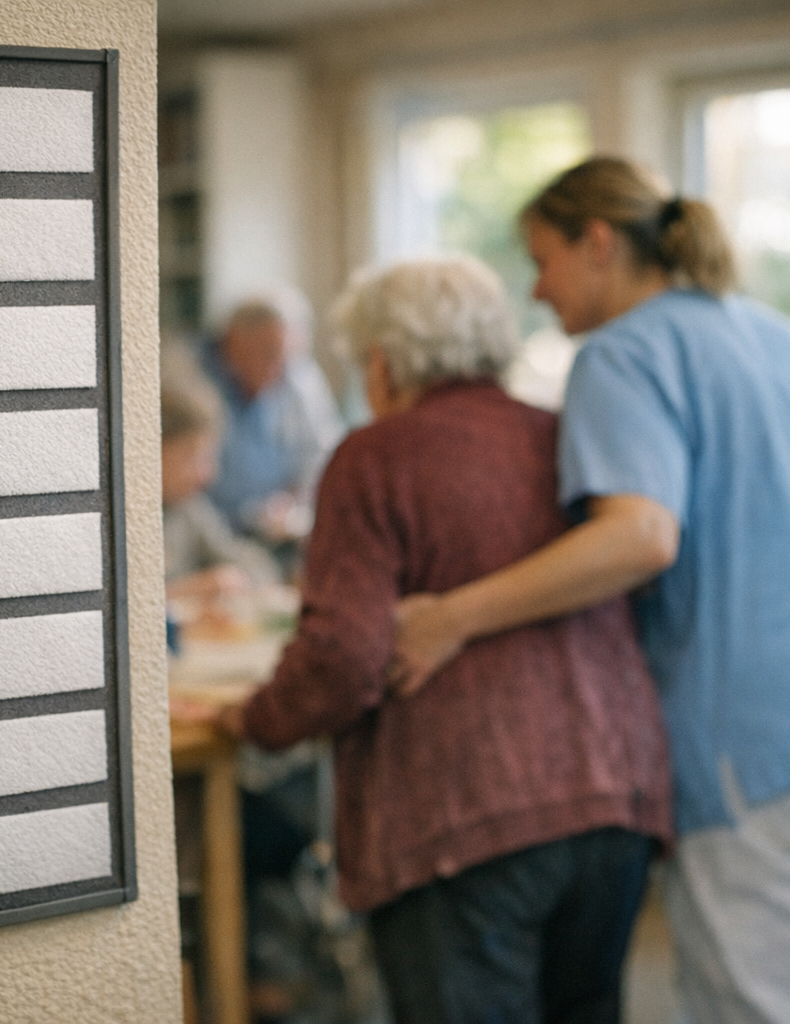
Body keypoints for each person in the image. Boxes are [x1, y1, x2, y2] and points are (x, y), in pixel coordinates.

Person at [392, 156, 790, 1024]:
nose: (537, 290)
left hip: (765, 731)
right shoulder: (783, 336)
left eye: (542, 261)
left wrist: (450, 618)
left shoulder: (621, 354)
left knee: (761, 1007)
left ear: (598, 243)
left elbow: (640, 537)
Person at [212, 256, 672, 1023]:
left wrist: (255, 718)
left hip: (465, 813)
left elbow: (344, 656)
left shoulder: (373, 457)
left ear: (383, 361)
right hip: (612, 797)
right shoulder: (562, 434)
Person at [199, 288, 344, 550]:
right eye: (271, 353)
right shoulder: (193, 377)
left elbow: (321, 455)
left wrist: (293, 500)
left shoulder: (298, 376)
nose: (283, 371)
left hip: (276, 533)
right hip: (210, 538)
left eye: (291, 358)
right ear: (234, 341)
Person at [161, 345, 280, 601]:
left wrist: (238, 578)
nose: (208, 474)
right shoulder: (131, 519)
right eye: (193, 456)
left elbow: (246, 560)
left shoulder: (189, 509)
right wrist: (185, 590)